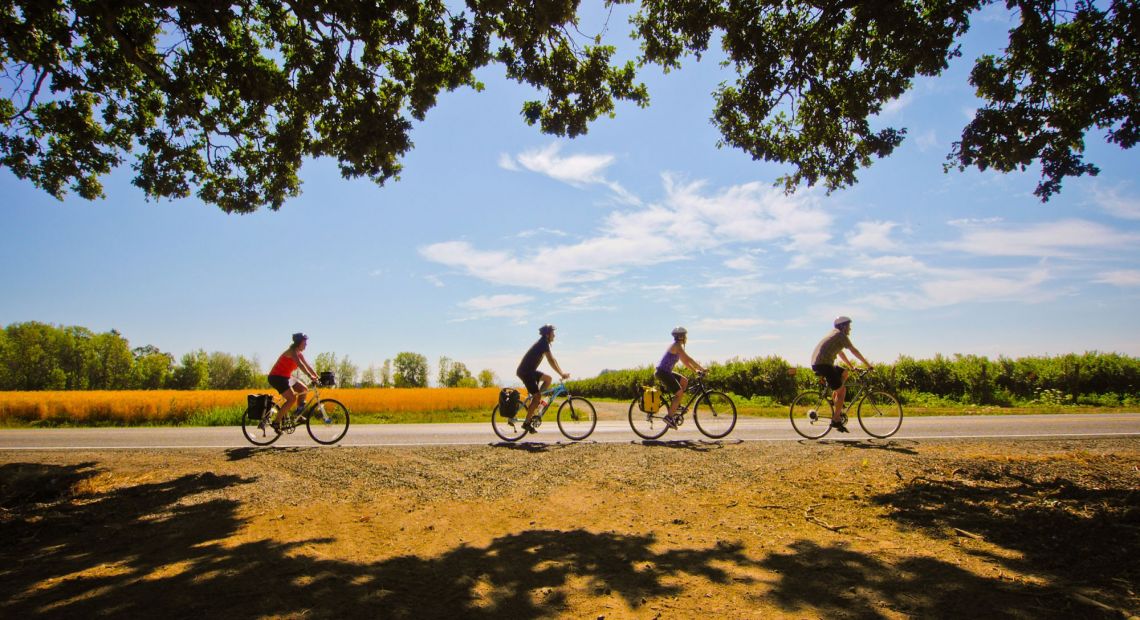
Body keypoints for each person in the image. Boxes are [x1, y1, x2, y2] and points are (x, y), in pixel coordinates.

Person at [810, 316, 874, 433]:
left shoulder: (835, 335)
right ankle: (836, 419)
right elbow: (854, 350)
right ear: (843, 326)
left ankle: (837, 403)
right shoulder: (840, 335)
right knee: (842, 391)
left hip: (821, 363)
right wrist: (868, 364)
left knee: (844, 373)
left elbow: (840, 353)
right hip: (823, 365)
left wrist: (851, 367)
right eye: (849, 326)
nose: (850, 329)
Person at [516, 324, 570, 433]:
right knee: (537, 397)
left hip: (530, 371)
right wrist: (561, 373)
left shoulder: (543, 343)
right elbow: (550, 360)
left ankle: (537, 401)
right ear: (547, 334)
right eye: (552, 333)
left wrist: (562, 373)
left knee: (548, 379)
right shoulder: (543, 344)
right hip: (526, 372)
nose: (554, 335)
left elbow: (553, 359)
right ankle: (526, 423)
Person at [265, 332, 320, 432]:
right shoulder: (292, 352)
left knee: (304, 389)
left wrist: (317, 377)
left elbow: (308, 366)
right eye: (304, 343)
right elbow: (300, 365)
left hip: (286, 377)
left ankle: (297, 415)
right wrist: (310, 376)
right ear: (299, 343)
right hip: (277, 377)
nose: (306, 345)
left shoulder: (299, 354)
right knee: (291, 399)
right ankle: (276, 422)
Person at [656, 327, 707, 429]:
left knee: (684, 381)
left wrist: (696, 371)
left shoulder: (678, 346)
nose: (686, 338)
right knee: (679, 393)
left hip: (666, 371)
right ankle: (669, 417)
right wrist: (702, 369)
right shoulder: (677, 346)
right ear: (681, 337)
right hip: (663, 373)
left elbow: (685, 362)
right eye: (685, 335)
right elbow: (689, 359)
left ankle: (676, 406)